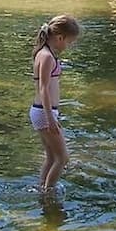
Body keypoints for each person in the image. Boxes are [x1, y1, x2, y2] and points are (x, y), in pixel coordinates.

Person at [30, 15, 82, 195]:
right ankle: (49, 194)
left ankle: (42, 188)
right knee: (63, 158)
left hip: (44, 111)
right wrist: (50, 118)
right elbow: (44, 88)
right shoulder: (46, 57)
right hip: (45, 113)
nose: (68, 46)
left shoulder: (46, 53)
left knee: (52, 157)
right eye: (69, 42)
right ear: (60, 38)